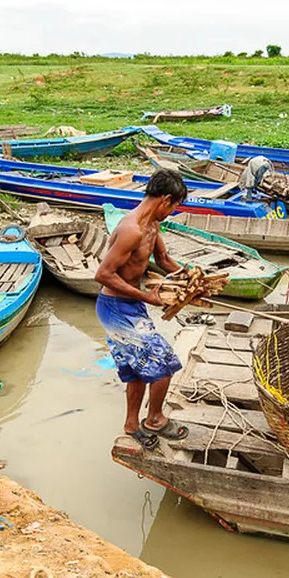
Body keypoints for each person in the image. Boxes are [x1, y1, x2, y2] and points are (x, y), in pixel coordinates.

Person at [94, 169, 190, 450]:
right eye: (174, 207)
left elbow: (164, 259)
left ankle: (132, 425)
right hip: (115, 308)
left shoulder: (152, 226)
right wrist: (147, 297)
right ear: (166, 200)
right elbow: (103, 274)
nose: (171, 213)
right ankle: (155, 420)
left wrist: (192, 278)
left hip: (131, 305)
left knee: (137, 371)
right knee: (164, 364)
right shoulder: (131, 229)